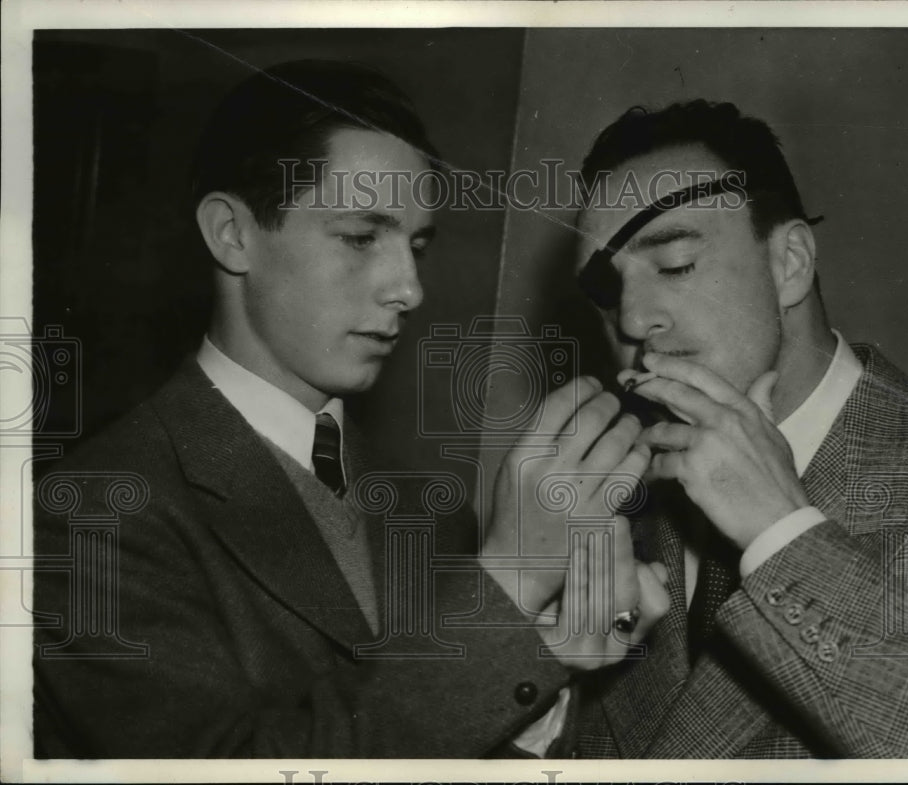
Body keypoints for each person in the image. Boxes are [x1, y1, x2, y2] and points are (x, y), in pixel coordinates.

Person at [32, 59, 669, 758]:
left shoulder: (426, 507)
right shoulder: (89, 513)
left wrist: (544, 652)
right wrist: (508, 585)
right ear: (232, 234)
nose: (410, 288)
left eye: (417, 245)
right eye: (362, 237)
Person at [559, 100, 908, 758]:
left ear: (789, 263)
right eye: (609, 292)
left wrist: (781, 533)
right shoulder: (619, 507)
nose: (634, 320)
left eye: (673, 264)